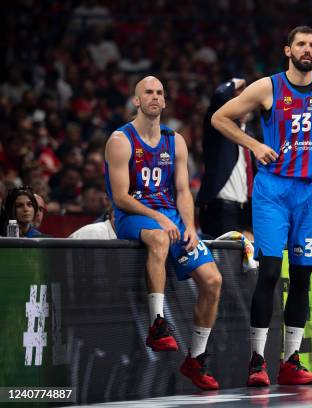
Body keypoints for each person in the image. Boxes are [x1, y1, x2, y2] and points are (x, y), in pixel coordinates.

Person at [212, 26, 312, 386]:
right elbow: (220, 118)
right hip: (273, 191)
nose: (308, 49)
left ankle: (291, 361)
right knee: (271, 272)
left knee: (303, 276)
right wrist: (254, 145)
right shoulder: (268, 87)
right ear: (288, 50)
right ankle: (257, 360)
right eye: (302, 44)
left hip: (310, 192)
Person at [104, 76, 222, 390]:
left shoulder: (175, 140)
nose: (154, 97)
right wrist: (158, 217)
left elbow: (183, 191)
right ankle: (158, 325)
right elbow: (120, 197)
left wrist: (189, 226)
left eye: (159, 93)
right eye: (148, 92)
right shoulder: (120, 139)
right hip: (134, 214)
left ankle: (195, 359)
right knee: (157, 238)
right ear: (137, 100)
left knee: (213, 281)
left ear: (165, 102)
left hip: (171, 215)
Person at [196, 78, 255, 238]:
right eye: (237, 100)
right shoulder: (218, 129)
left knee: (246, 261)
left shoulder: (250, 136)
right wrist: (234, 82)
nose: (243, 104)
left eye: (246, 100)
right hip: (220, 208)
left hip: (244, 208)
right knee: (224, 261)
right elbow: (219, 96)